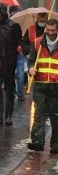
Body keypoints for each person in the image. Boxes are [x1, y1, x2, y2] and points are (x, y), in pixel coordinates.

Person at [27, 19, 58, 152]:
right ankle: (38, 141)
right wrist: (31, 68)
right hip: (40, 83)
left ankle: (55, 143)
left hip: (56, 84)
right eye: (48, 30)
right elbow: (31, 60)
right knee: (39, 113)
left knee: (55, 115)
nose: (50, 33)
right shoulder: (37, 42)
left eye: (53, 30)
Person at [0, 2, 22, 126]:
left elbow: (18, 42)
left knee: (9, 89)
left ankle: (8, 115)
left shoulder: (13, 26)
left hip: (9, 60)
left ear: (2, 11)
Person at [20, 12, 49, 101]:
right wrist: (33, 48)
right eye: (40, 20)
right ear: (37, 18)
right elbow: (24, 45)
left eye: (44, 21)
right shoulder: (30, 30)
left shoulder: (50, 30)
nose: (42, 22)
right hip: (33, 60)